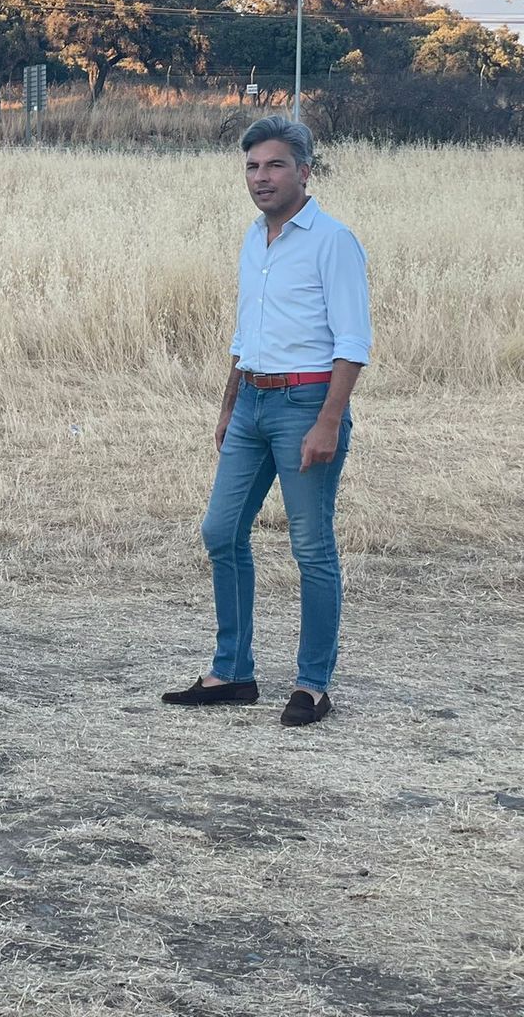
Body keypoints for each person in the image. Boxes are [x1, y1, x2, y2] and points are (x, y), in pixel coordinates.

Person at [163, 116, 371, 726]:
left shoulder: (332, 240)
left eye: (275, 165)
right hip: (251, 404)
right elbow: (244, 333)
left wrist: (329, 421)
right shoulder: (255, 238)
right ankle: (232, 671)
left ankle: (312, 684)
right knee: (221, 532)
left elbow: (352, 342)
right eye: (253, 166)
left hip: (306, 405)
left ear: (305, 171)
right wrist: (229, 405)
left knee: (311, 546)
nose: (262, 177)